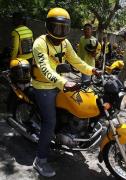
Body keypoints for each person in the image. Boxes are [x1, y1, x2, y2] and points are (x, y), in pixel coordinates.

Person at [31, 7, 100, 177]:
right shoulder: (40, 43)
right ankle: (40, 160)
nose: (60, 31)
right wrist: (64, 82)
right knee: (50, 122)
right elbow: (45, 69)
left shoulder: (65, 43)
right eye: (56, 27)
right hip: (43, 87)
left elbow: (76, 61)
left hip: (59, 84)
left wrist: (92, 70)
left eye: (64, 28)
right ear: (48, 26)